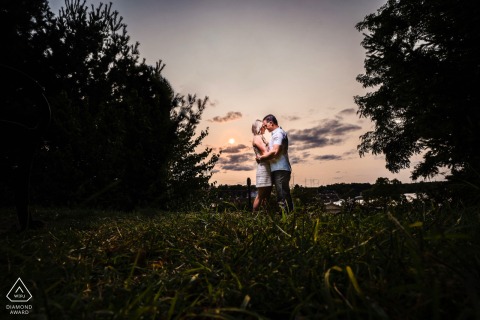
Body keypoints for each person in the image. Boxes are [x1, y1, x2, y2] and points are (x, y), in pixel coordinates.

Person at [256, 114, 293, 212]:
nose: (264, 127)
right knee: (283, 194)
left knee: (282, 196)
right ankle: (289, 218)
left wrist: (261, 158)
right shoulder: (274, 135)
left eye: (265, 125)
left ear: (271, 123)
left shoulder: (278, 133)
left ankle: (286, 220)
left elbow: (275, 152)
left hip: (281, 169)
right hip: (277, 169)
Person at [251, 119, 272, 212]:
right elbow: (265, 152)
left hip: (267, 167)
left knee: (266, 196)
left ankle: (265, 218)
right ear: (259, 127)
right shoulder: (257, 138)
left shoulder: (261, 137)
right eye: (263, 126)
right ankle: (254, 217)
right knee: (260, 195)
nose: (265, 128)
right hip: (263, 168)